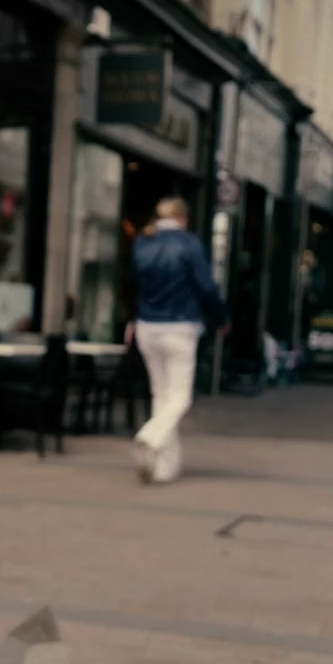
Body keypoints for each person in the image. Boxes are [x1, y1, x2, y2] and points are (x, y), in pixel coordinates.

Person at [125, 197, 225, 484]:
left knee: (161, 395)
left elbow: (133, 283)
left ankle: (164, 466)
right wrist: (220, 318)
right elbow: (206, 287)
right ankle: (150, 435)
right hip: (180, 326)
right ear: (182, 217)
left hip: (147, 326)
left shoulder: (142, 243)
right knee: (180, 396)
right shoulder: (189, 244)